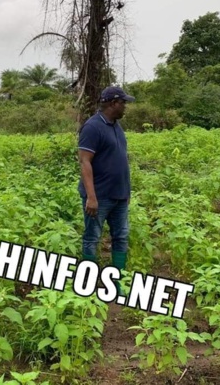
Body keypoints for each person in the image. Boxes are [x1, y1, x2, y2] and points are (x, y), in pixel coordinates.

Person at [77, 85, 135, 297]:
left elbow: (119, 160)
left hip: (119, 195)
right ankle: (88, 286)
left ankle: (117, 284)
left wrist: (126, 191)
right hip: (99, 196)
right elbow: (85, 162)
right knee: (92, 237)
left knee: (121, 237)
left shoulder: (116, 126)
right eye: (123, 103)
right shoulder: (92, 127)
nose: (126, 107)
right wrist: (91, 197)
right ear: (113, 103)